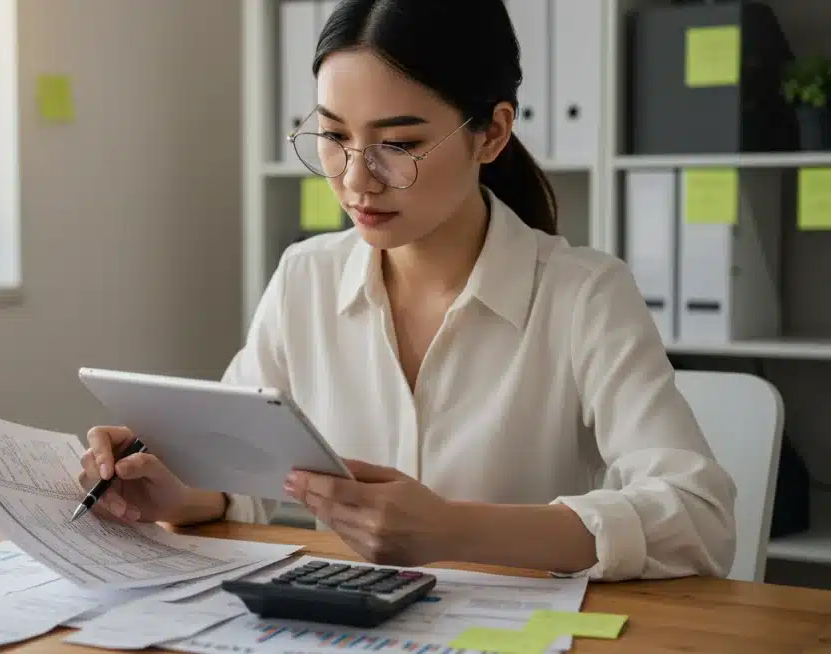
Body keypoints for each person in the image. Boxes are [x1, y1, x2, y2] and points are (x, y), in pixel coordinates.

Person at [78, 0, 736, 582]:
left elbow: (698, 518)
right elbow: (243, 479)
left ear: (494, 132)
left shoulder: (583, 295)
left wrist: (453, 529)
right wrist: (171, 491)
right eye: (334, 136)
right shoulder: (305, 279)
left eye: (397, 143)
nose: (356, 181)